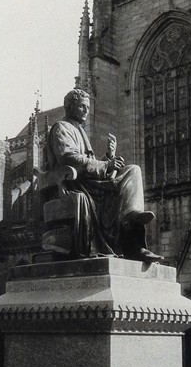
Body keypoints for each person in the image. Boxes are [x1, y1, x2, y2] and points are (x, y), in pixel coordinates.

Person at [47, 88, 163, 262]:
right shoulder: (61, 128)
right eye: (82, 107)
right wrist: (106, 164)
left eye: (88, 107)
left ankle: (133, 227)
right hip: (75, 183)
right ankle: (131, 232)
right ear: (70, 107)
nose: (87, 110)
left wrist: (108, 156)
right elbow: (68, 157)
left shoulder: (79, 130)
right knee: (125, 178)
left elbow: (90, 161)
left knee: (133, 170)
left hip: (90, 182)